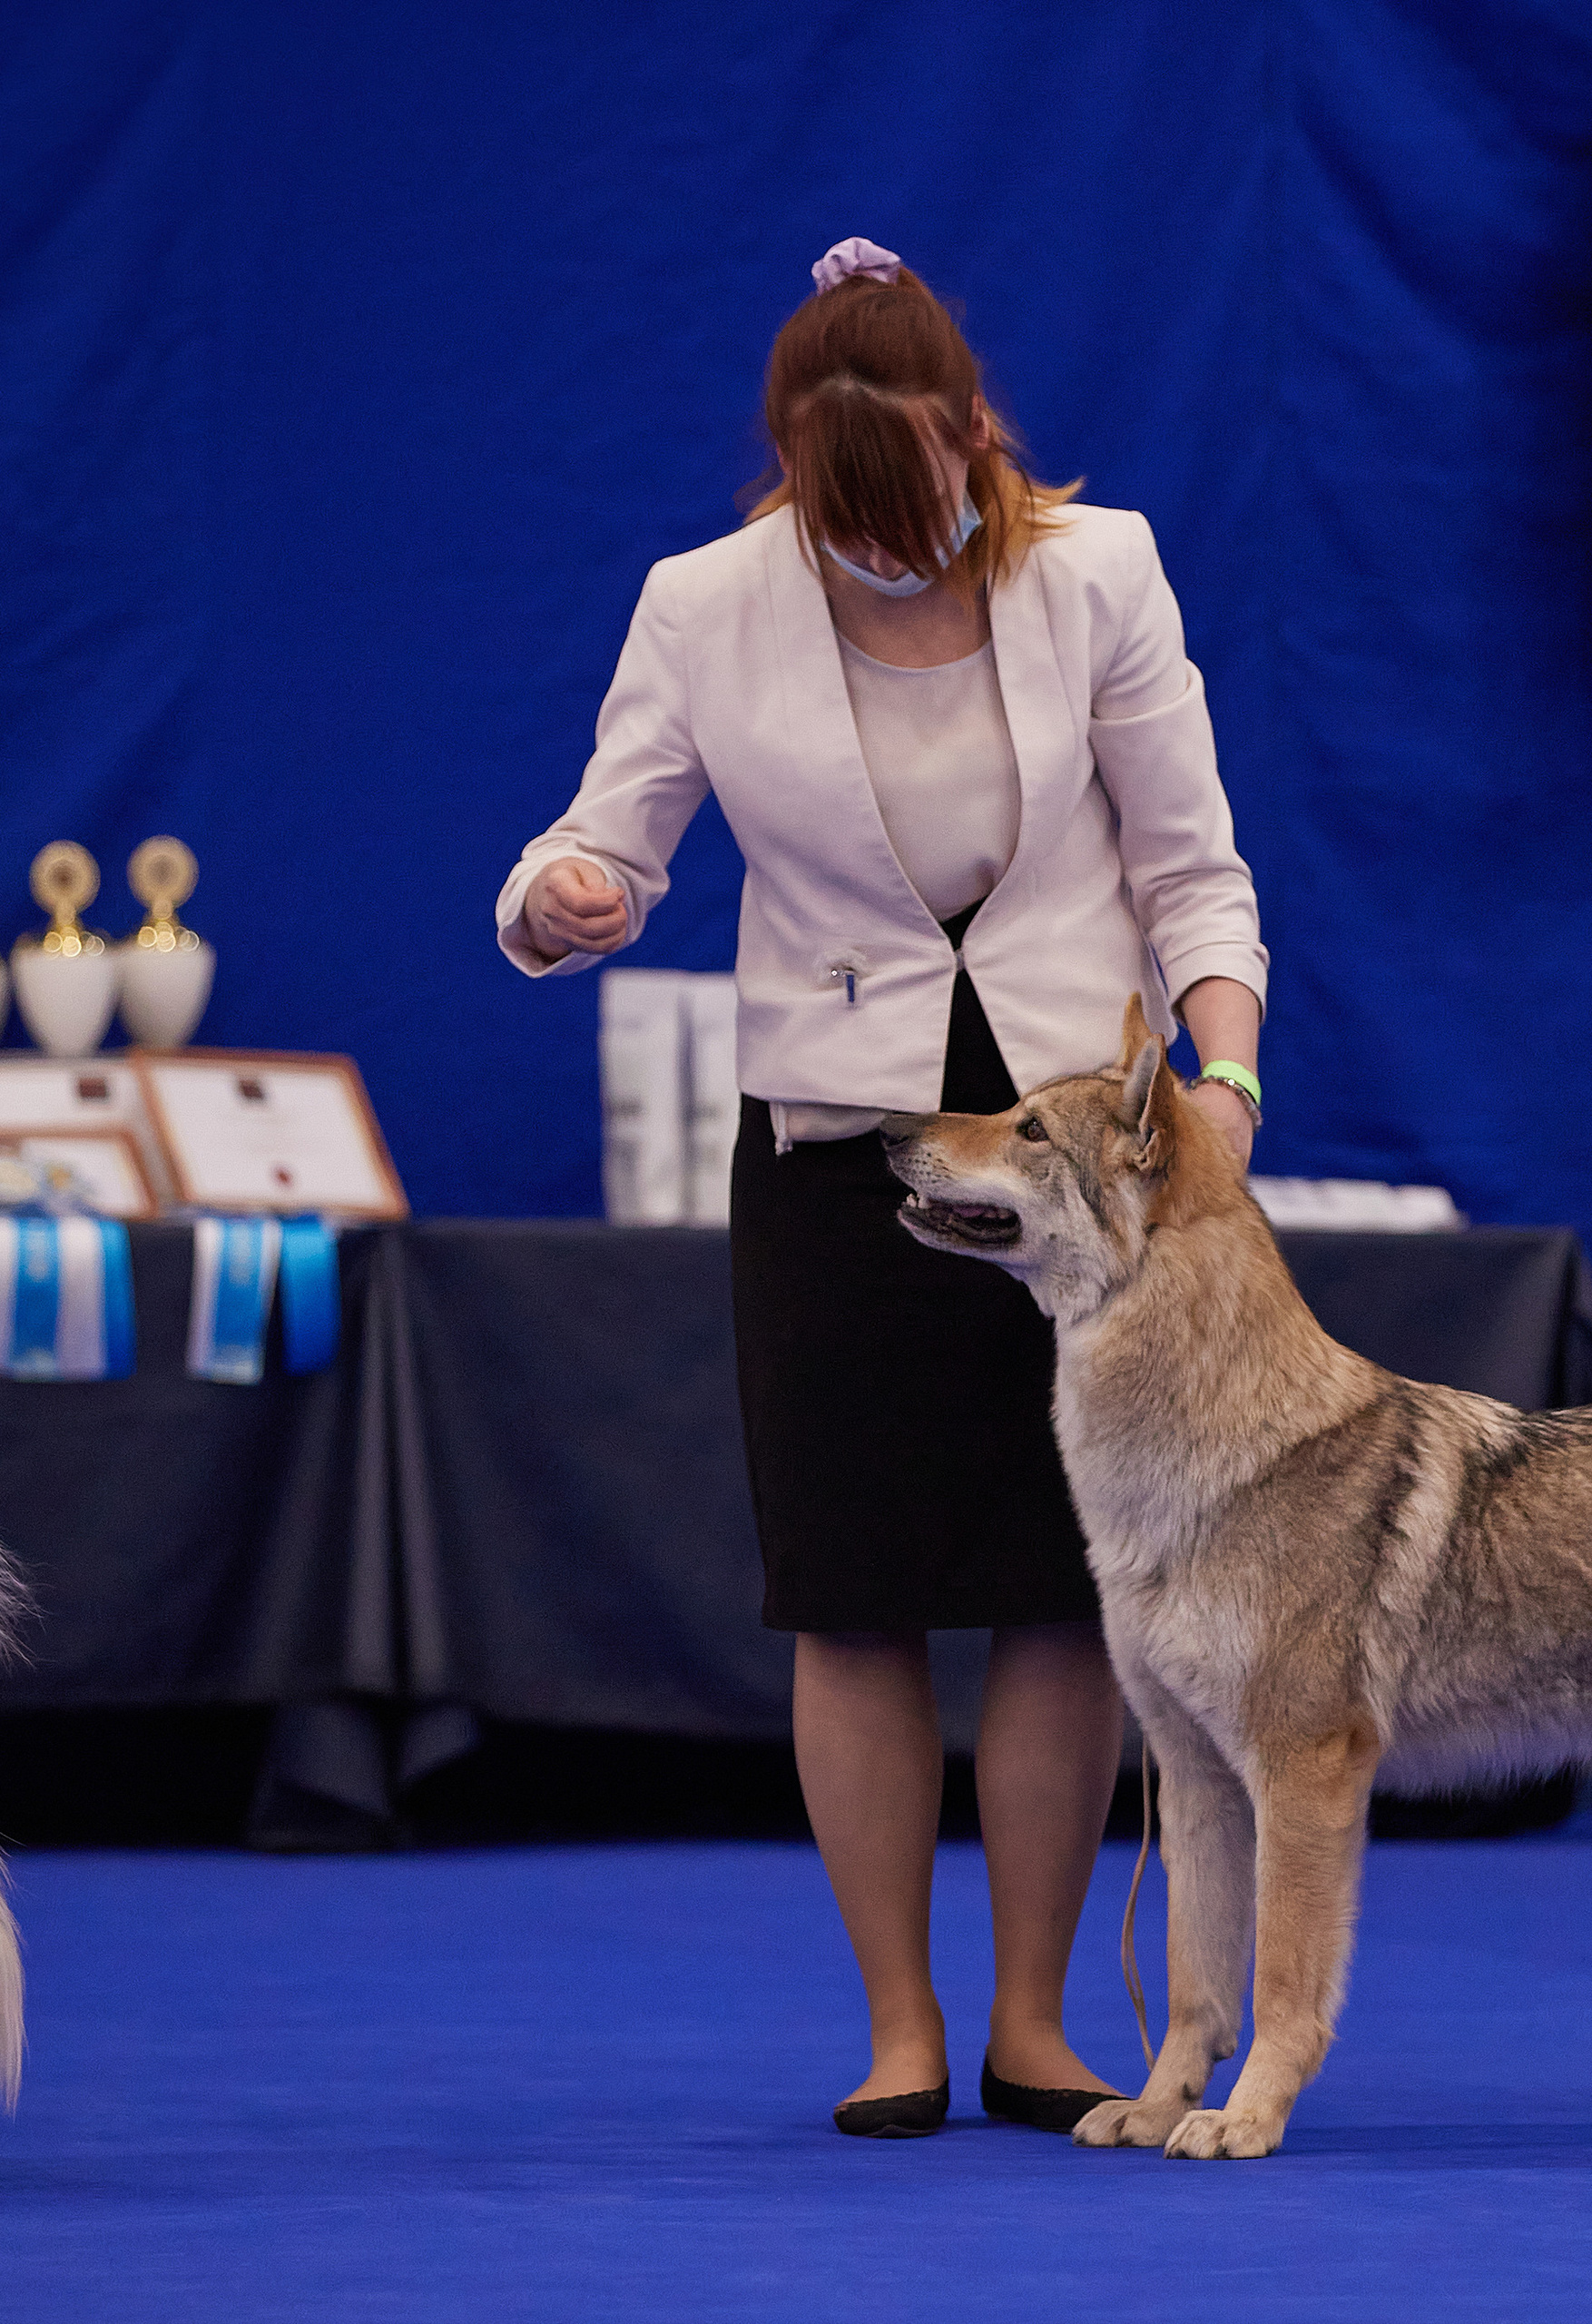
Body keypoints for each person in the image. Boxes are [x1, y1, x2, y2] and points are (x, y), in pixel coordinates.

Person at [495, 237, 1268, 2135]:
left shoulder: (1102, 573)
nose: (888, 546)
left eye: (918, 504)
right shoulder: (701, 602)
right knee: (847, 1597)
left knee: (1057, 1591)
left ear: (973, 432)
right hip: (841, 1152)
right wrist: (559, 902)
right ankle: (896, 2025)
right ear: (784, 472)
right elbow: (598, 842)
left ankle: (1029, 2016)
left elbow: (1192, 866)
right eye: (847, 524)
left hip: (1077, 1173)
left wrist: (1224, 1063)